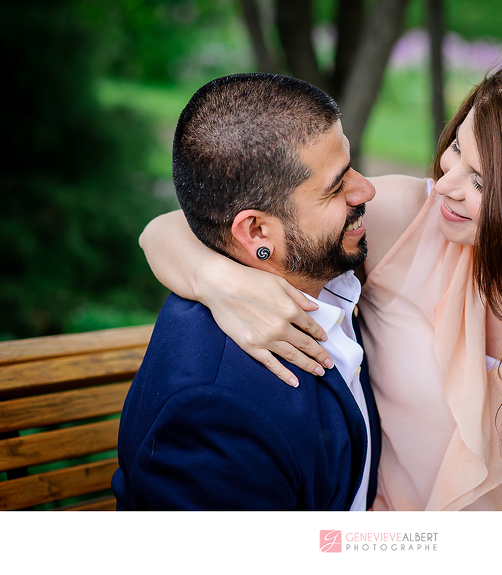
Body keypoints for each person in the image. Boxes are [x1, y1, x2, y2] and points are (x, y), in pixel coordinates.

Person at [140, 58, 502, 511]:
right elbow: (179, 227)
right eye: (458, 148)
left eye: (481, 180)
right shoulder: (411, 221)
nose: (446, 183)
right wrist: (220, 281)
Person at [112, 73, 382, 510]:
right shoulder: (214, 412)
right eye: (337, 186)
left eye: (350, 165)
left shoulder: (316, 268)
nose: (366, 189)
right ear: (256, 230)